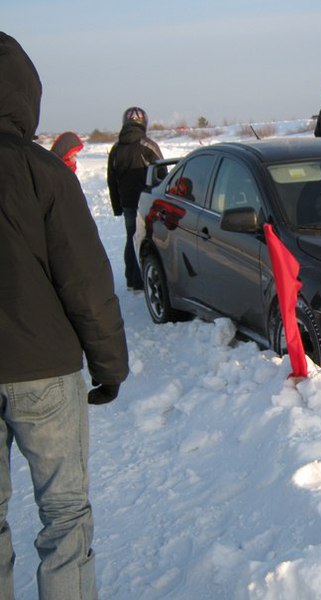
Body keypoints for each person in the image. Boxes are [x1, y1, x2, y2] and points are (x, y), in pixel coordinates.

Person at [0, 32, 129, 600]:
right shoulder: (43, 172)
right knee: (66, 517)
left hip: (41, 373)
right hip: (44, 375)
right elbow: (84, 281)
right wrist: (110, 366)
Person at [107, 106, 163, 290]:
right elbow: (162, 172)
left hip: (127, 204)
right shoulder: (148, 145)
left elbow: (111, 180)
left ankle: (132, 280)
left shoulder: (116, 149)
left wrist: (117, 206)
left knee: (132, 237)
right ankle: (145, 279)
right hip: (147, 202)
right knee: (148, 240)